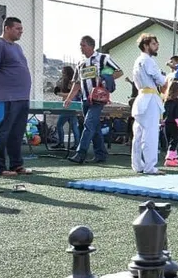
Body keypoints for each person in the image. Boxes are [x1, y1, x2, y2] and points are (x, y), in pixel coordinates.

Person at [0, 17, 32, 177]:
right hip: (5, 98)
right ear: (7, 28)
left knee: (16, 133)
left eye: (21, 29)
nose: (21, 31)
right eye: (18, 28)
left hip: (21, 98)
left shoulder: (17, 47)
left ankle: (17, 165)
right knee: (1, 132)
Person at [65, 35, 123, 164]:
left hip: (98, 99)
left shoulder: (103, 58)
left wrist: (105, 78)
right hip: (84, 99)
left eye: (83, 45)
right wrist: (69, 98)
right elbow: (77, 83)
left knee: (88, 123)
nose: (81, 48)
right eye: (81, 45)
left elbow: (119, 71)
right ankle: (101, 154)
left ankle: (81, 153)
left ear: (91, 46)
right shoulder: (80, 63)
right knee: (94, 127)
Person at [129, 34, 167, 175]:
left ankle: (137, 165)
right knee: (150, 134)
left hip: (141, 97)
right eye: (154, 43)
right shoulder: (148, 60)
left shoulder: (138, 60)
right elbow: (160, 80)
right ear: (146, 45)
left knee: (138, 133)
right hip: (149, 99)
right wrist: (167, 78)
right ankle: (150, 167)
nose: (157, 46)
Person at [52, 66, 80, 149]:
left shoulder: (71, 82)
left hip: (69, 106)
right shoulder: (66, 81)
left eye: (64, 72)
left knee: (59, 125)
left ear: (67, 73)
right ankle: (77, 144)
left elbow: (72, 94)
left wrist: (59, 94)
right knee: (74, 125)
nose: (62, 74)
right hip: (70, 105)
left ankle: (61, 143)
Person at [163, 81, 178, 167]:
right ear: (177, 90)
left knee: (170, 141)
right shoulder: (177, 101)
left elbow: (164, 113)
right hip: (174, 124)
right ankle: (169, 159)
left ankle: (174, 158)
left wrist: (162, 122)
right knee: (174, 141)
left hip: (166, 123)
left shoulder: (166, 100)